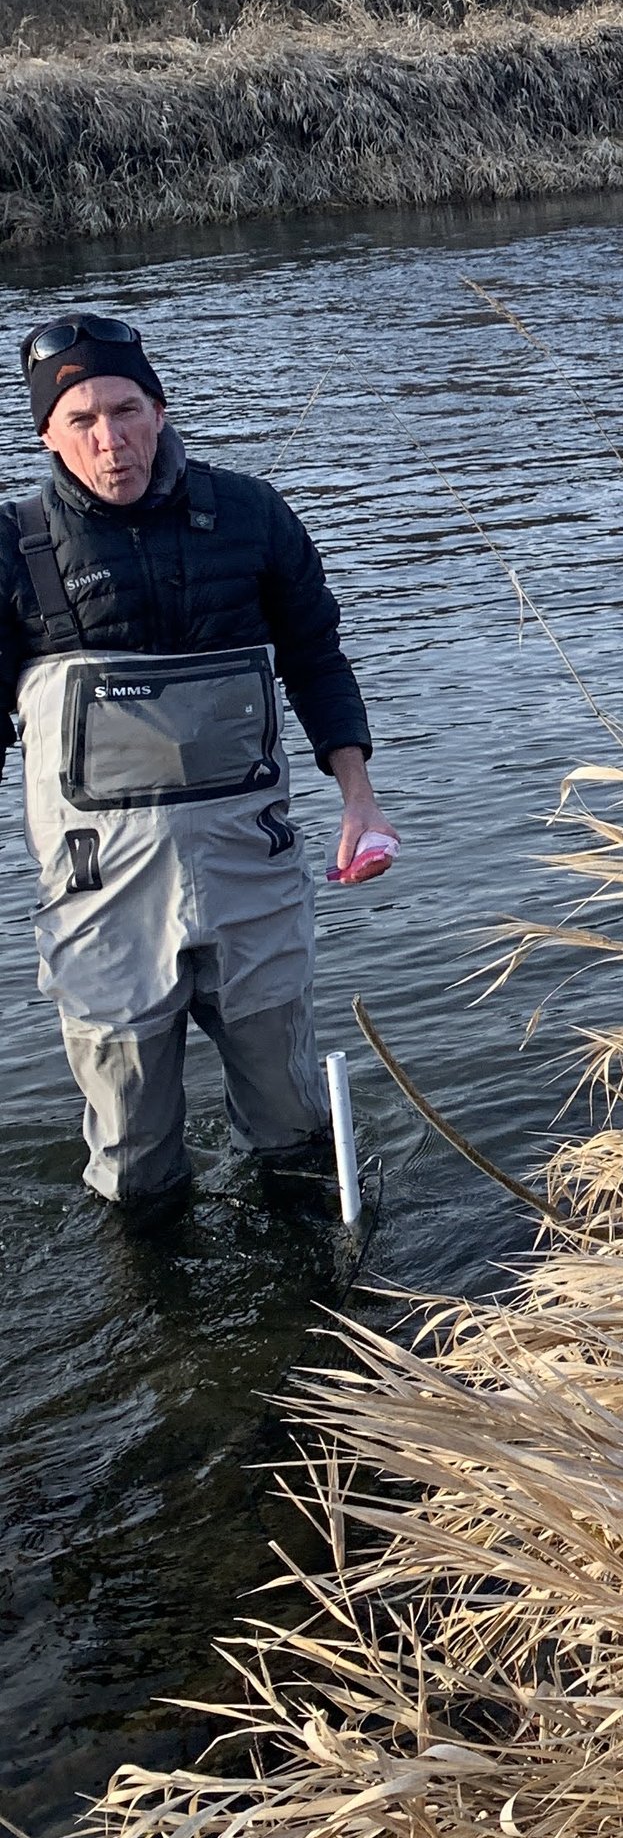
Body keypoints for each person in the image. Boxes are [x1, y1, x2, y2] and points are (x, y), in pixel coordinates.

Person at [0, 309, 395, 1212]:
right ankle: (156, 1320)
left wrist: (359, 798)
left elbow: (317, 659)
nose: (113, 440)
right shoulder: (13, 552)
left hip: (250, 876)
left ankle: (316, 1306)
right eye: (83, 422)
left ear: (162, 406)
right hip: (101, 904)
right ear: (46, 436)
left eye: (127, 409)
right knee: (136, 1168)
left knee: (298, 1133)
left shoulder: (251, 516)